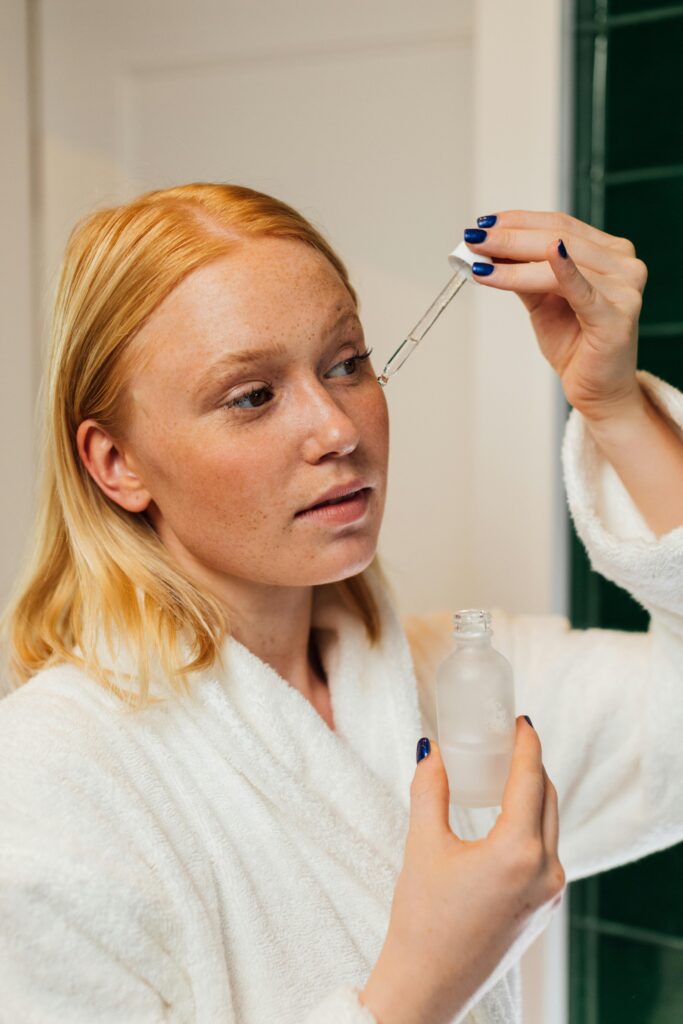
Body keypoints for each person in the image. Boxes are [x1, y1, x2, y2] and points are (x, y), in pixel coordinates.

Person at [0, 183, 681, 1024]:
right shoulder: (44, 782)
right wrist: (418, 986)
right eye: (251, 396)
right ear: (116, 463)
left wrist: (614, 406)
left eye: (346, 364)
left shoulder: (459, 683)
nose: (337, 428)